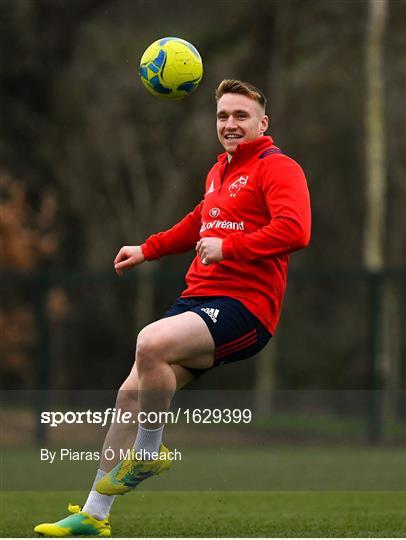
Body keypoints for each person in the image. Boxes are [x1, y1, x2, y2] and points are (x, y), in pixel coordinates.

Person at [34, 79, 311, 537]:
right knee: (129, 395)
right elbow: (197, 222)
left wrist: (231, 248)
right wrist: (148, 248)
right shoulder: (219, 170)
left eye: (241, 116)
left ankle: (149, 451)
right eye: (223, 116)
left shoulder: (278, 168)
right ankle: (93, 514)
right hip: (198, 300)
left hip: (245, 306)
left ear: (263, 123)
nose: (230, 124)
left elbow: (296, 230)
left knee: (151, 342)